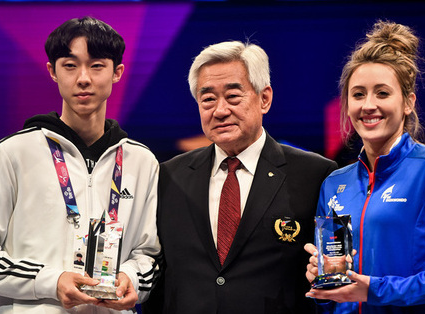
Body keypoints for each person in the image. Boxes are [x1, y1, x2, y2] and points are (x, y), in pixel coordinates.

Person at [0, 17, 160, 313]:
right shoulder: (12, 152)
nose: (83, 78)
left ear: (117, 73)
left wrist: (130, 278)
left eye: (96, 65)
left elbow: (149, 254)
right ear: (52, 71)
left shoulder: (142, 161)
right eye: (70, 65)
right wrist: (50, 281)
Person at [304, 21, 425, 313]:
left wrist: (376, 290)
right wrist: (325, 286)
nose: (368, 105)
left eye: (383, 93)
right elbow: (337, 294)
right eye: (358, 94)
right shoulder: (334, 183)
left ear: (408, 102)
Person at [144, 40, 338, 314]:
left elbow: (329, 280)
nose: (220, 110)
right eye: (208, 99)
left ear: (264, 98)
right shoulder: (168, 176)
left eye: (233, 96)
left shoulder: (316, 175)